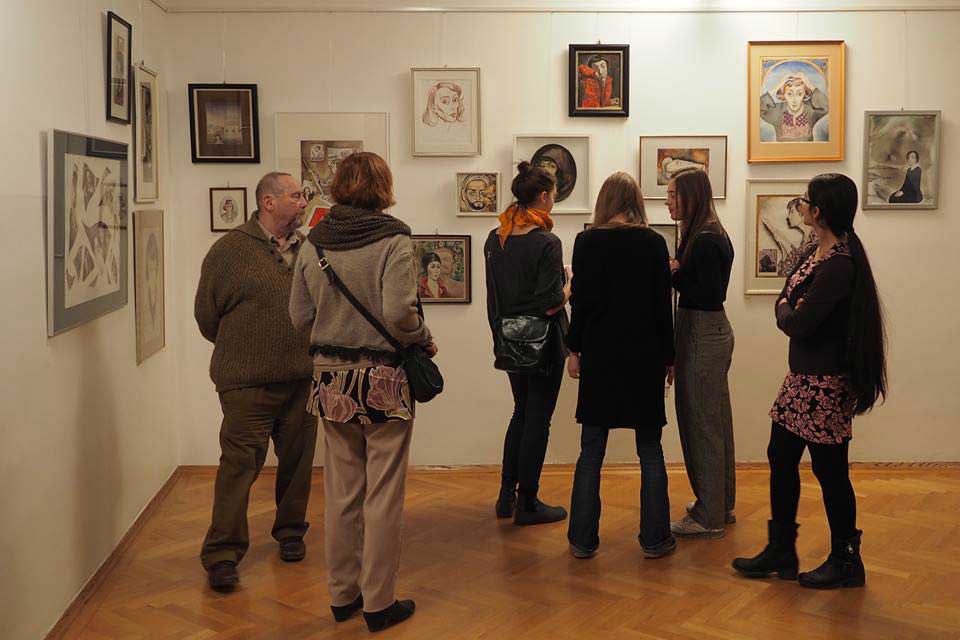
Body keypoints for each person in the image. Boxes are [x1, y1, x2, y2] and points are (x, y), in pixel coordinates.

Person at [289, 152, 435, 632]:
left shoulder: (315, 243)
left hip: (331, 380)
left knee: (341, 491)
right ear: (383, 186)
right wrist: (419, 335)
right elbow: (399, 313)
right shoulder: (393, 238)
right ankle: (378, 602)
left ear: (338, 186)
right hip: (383, 380)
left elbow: (299, 317)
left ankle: (341, 595)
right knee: (384, 494)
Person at [733, 173, 887, 589]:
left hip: (824, 383)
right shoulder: (815, 251)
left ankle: (847, 560)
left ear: (817, 211)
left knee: (830, 470)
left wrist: (784, 308)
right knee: (781, 456)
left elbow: (798, 321)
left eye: (805, 201)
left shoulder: (840, 264)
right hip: (802, 380)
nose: (801, 206)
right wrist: (788, 302)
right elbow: (788, 290)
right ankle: (782, 549)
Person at [194, 172, 317, 592]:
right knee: (239, 467)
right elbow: (207, 317)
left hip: (301, 378)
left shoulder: (311, 250)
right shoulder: (229, 250)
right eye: (296, 195)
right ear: (268, 202)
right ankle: (222, 554)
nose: (303, 202)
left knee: (299, 464)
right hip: (246, 383)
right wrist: (249, 348)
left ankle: (291, 534)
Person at [565, 172, 676, 559]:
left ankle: (581, 539)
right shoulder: (653, 243)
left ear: (604, 201)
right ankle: (656, 538)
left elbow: (580, 302)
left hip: (601, 356)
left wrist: (574, 349)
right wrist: (669, 357)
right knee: (650, 448)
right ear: (636, 202)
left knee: (591, 448)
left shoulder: (586, 241)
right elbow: (664, 306)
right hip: (644, 356)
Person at [484, 160, 570, 526]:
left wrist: (499, 338)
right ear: (545, 197)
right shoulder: (547, 241)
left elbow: (494, 299)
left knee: (521, 412)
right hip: (545, 343)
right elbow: (551, 302)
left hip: (509, 341)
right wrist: (569, 285)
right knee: (538, 418)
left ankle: (506, 495)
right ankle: (528, 502)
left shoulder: (496, 238)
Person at [666, 169, 736, 539]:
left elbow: (706, 294)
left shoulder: (705, 239)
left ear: (691, 196)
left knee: (702, 423)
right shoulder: (707, 232)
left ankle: (709, 515)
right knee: (715, 420)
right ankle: (719, 502)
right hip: (706, 330)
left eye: (673, 194)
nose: (667, 201)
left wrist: (673, 272)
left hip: (703, 331)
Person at [760, 72, 829, 142]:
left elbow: (826, 106)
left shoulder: (811, 110)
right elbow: (759, 108)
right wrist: (777, 87)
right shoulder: (777, 111)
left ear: (805, 94)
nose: (794, 99)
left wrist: (809, 85)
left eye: (799, 94)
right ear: (783, 94)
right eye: (789, 94)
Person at [761, 196, 818, 276]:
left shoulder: (815, 238)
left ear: (801, 212)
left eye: (791, 211)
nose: (788, 217)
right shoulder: (806, 238)